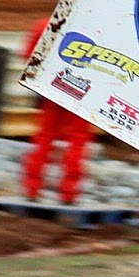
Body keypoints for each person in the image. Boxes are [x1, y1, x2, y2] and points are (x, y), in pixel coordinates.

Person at [21, 15, 95, 206]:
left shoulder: (45, 24)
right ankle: (69, 193)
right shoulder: (96, 27)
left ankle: (32, 188)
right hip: (82, 92)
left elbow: (28, 55)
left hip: (51, 88)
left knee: (44, 138)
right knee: (77, 141)